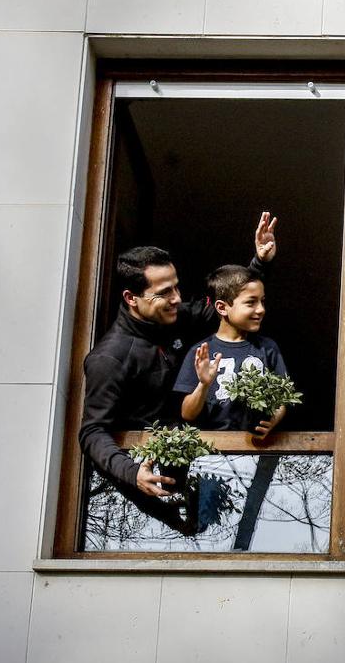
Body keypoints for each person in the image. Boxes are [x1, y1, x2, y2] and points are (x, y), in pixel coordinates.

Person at [79, 213, 278, 500]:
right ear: (131, 298)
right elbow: (93, 432)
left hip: (214, 462)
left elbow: (228, 308)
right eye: (164, 292)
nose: (176, 298)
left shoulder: (176, 313)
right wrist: (131, 472)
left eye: (176, 286)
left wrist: (259, 262)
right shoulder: (110, 358)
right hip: (152, 477)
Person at [174, 265, 289, 435]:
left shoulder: (267, 348)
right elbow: (187, 414)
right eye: (251, 302)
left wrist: (274, 419)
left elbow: (283, 399)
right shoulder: (200, 352)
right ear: (222, 307)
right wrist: (204, 384)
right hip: (211, 453)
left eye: (262, 301)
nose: (261, 309)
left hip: (255, 448)